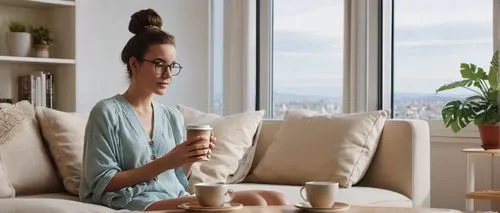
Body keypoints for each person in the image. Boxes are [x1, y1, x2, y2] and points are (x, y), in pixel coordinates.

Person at [78, 8, 288, 211]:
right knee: (256, 203)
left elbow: (178, 180)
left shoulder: (171, 117)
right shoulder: (106, 112)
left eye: (172, 66)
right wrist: (167, 161)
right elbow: (102, 182)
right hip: (137, 199)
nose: (168, 74)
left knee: (275, 198)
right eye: (159, 64)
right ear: (134, 64)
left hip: (174, 195)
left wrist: (189, 158)